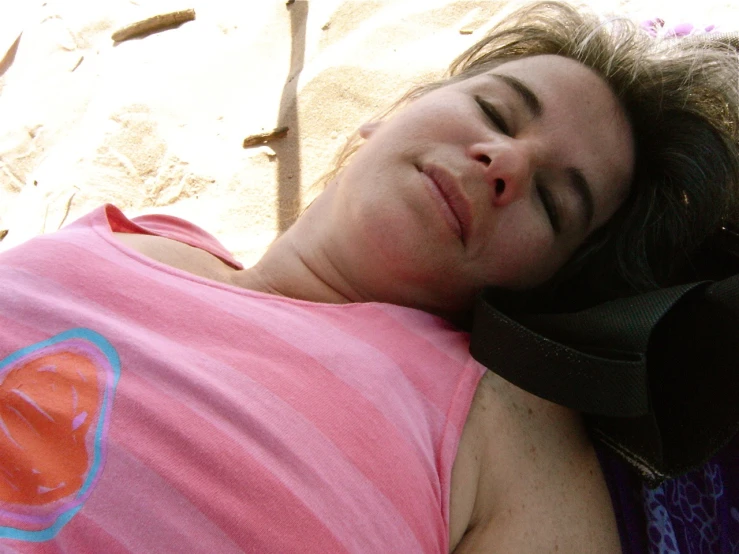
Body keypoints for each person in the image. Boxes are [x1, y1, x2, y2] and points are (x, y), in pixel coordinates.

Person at [1, 1, 737, 552]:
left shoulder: (498, 418)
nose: (505, 162)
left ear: (540, 280)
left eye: (551, 200)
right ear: (388, 117)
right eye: (494, 111)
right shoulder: (123, 234)